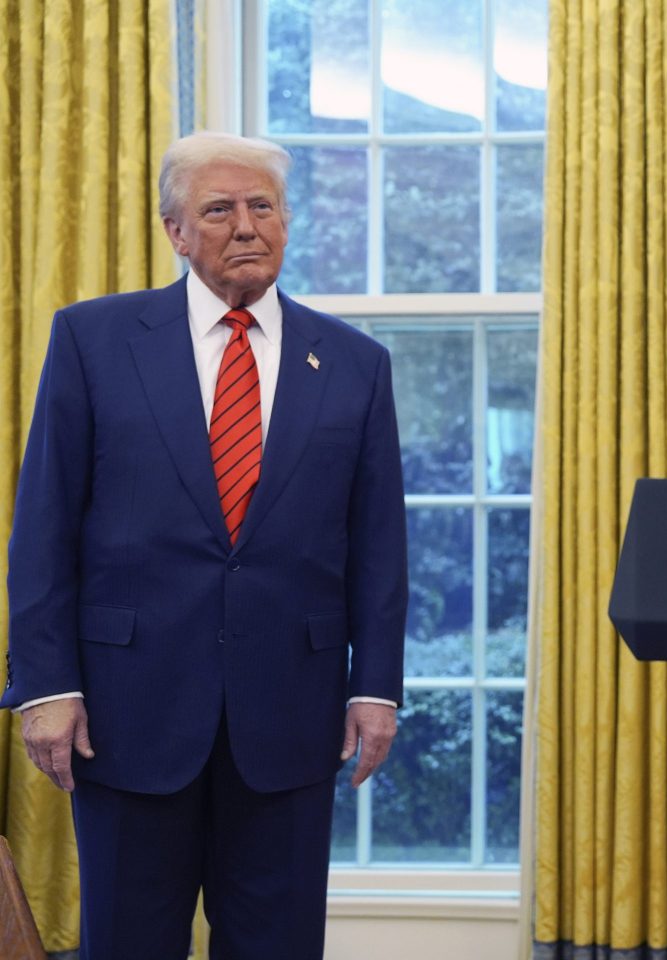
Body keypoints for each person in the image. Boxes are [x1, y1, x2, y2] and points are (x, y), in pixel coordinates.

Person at [2, 132, 407, 960]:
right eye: (219, 209)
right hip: (126, 713)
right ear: (175, 231)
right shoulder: (93, 341)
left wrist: (377, 688)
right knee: (128, 942)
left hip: (291, 717)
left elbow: (379, 543)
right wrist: (44, 684)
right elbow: (43, 524)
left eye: (264, 207)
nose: (246, 226)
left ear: (287, 224)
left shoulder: (357, 365)